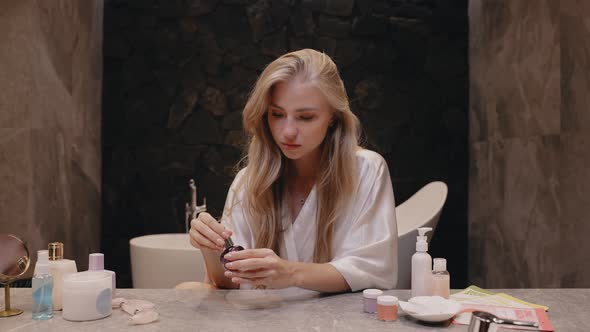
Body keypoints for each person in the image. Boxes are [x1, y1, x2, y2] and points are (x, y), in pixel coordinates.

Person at [189, 48, 397, 293]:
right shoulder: (249, 181)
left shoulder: (366, 170)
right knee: (187, 290)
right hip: (268, 321)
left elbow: (373, 270)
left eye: (305, 117)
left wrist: (290, 273)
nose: (287, 131)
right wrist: (211, 247)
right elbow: (227, 283)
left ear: (332, 116)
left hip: (336, 323)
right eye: (277, 114)